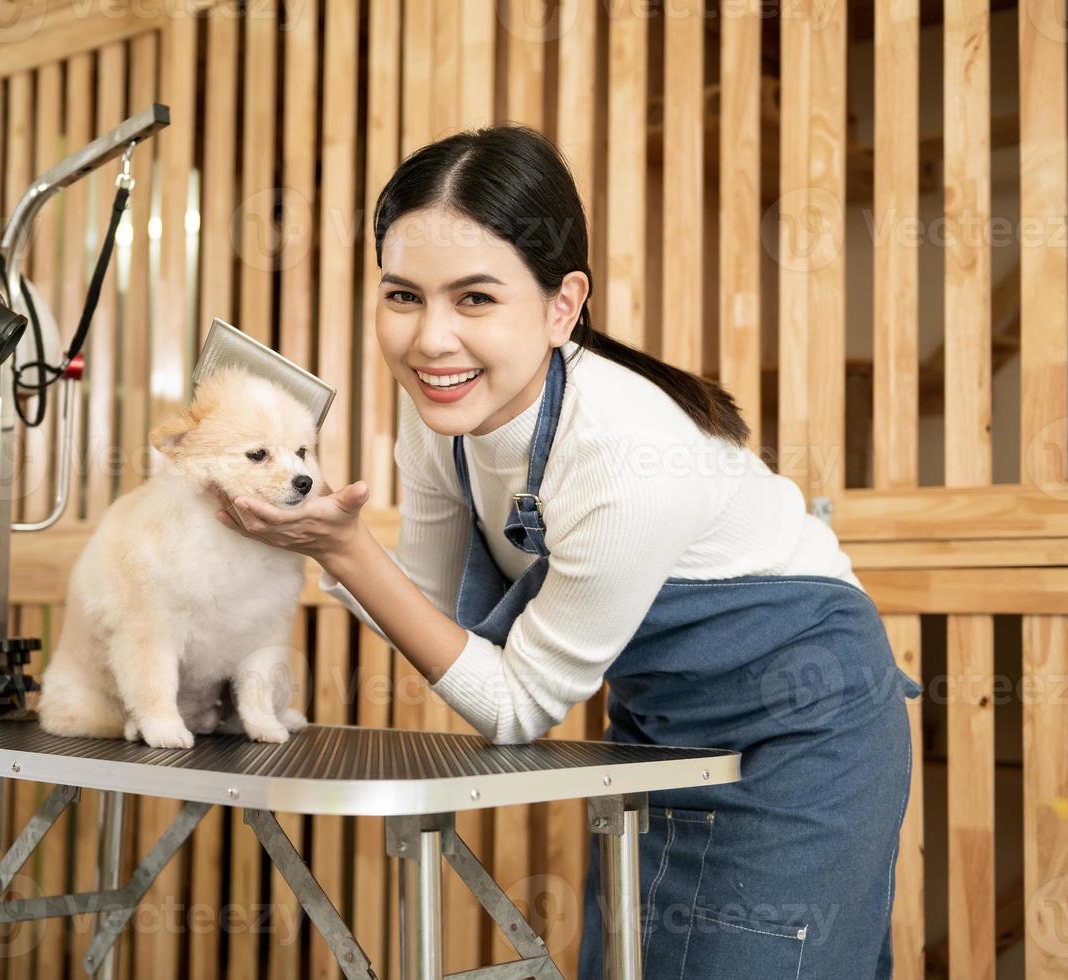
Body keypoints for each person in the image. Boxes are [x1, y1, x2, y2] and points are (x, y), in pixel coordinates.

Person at [210, 124, 920, 979]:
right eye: (403, 296)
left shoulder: (625, 453)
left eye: (474, 299)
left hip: (806, 729)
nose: (431, 340)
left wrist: (346, 550)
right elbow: (426, 605)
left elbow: (518, 709)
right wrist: (306, 537)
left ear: (561, 304)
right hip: (661, 728)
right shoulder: (443, 412)